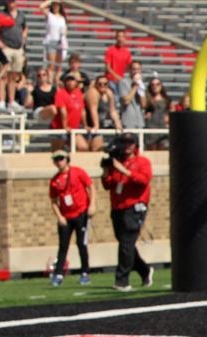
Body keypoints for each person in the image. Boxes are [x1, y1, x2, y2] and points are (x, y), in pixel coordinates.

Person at [101, 132, 153, 291]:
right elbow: (107, 184)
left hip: (135, 206)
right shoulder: (117, 162)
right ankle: (144, 270)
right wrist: (106, 170)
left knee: (126, 243)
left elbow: (143, 180)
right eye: (125, 142)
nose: (128, 145)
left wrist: (123, 170)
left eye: (130, 142)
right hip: (118, 207)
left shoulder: (142, 162)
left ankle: (122, 280)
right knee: (126, 243)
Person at [47, 149, 94, 286]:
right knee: (63, 246)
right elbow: (54, 201)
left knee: (82, 244)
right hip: (66, 216)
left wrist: (92, 205)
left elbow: (90, 187)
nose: (59, 162)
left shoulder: (78, 172)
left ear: (67, 159)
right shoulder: (55, 180)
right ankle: (59, 273)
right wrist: (59, 216)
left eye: (61, 158)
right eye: (56, 159)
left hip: (81, 213)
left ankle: (85, 272)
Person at [50, 71, 86, 151]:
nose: (70, 82)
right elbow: (63, 111)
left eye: (72, 80)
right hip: (59, 127)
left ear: (76, 82)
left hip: (74, 128)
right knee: (58, 151)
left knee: (83, 147)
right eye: (68, 80)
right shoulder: (61, 93)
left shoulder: (79, 93)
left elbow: (82, 111)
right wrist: (65, 126)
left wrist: (85, 125)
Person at [38, 0, 66, 81]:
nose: (55, 7)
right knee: (51, 65)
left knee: (59, 66)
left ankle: (57, 82)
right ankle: (50, 81)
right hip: (51, 41)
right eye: (54, 5)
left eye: (57, 5)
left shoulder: (62, 18)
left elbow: (65, 29)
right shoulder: (50, 15)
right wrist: (51, 0)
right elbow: (41, 7)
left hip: (60, 42)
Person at [116, 58, 145, 131]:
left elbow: (143, 104)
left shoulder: (141, 83)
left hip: (139, 120)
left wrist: (141, 89)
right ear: (130, 70)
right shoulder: (123, 82)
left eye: (138, 69)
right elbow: (126, 101)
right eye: (134, 69)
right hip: (128, 120)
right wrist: (135, 86)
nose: (136, 71)